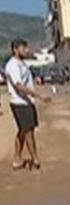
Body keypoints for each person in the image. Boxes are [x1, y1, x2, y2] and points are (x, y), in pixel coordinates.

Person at [6, 38, 43, 171]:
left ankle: (17, 158)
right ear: (15, 50)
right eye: (23, 48)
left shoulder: (22, 63)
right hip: (20, 102)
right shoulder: (13, 65)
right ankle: (35, 159)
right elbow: (18, 86)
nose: (26, 50)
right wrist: (36, 94)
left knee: (23, 131)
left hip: (26, 101)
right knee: (28, 132)